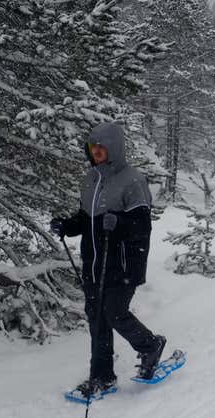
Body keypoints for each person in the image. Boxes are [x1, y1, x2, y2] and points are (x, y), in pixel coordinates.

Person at [50, 122, 166, 396]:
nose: (96, 153)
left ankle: (151, 346)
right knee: (96, 319)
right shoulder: (90, 179)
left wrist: (120, 222)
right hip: (93, 263)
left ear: (113, 148)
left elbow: (142, 226)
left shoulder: (132, 179)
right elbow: (86, 219)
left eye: (101, 148)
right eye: (93, 148)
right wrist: (68, 226)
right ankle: (102, 376)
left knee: (114, 313)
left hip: (123, 263)